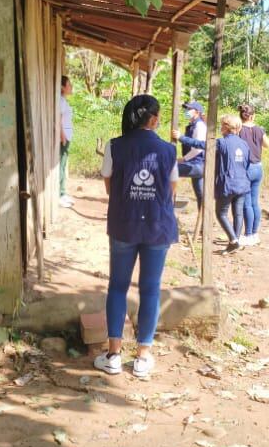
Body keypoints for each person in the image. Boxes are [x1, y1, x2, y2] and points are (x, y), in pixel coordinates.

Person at [94, 94, 178, 379]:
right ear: (153, 119)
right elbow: (171, 190)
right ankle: (142, 357)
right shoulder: (168, 150)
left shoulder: (114, 146)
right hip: (157, 226)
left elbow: (109, 186)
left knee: (117, 286)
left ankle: (114, 355)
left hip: (123, 225)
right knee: (150, 289)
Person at [214, 114, 251, 254]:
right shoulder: (244, 144)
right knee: (238, 214)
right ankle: (235, 242)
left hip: (228, 184)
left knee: (220, 213)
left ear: (227, 127)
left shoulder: (222, 142)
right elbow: (246, 163)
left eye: (222, 124)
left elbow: (202, 145)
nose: (220, 127)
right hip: (243, 183)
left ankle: (234, 241)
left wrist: (182, 138)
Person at [237, 103, 269, 247]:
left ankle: (248, 234)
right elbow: (267, 145)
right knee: (255, 202)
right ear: (253, 115)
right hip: (258, 167)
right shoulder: (259, 129)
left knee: (246, 203)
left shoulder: (238, 130)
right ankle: (255, 234)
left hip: (246, 168)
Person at [171, 101, 207, 209]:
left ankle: (168, 205)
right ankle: (204, 217)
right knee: (200, 194)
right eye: (186, 109)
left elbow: (198, 148)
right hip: (195, 163)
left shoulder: (200, 125)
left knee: (170, 170)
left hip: (198, 164)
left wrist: (183, 159)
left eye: (189, 109)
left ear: (196, 112)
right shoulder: (193, 125)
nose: (186, 111)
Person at [59, 75, 74, 208]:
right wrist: (62, 136)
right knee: (61, 165)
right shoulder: (61, 101)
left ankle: (63, 193)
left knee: (63, 165)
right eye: (69, 84)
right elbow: (58, 120)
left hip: (67, 137)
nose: (71, 86)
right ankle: (60, 194)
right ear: (62, 87)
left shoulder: (63, 100)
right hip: (64, 138)